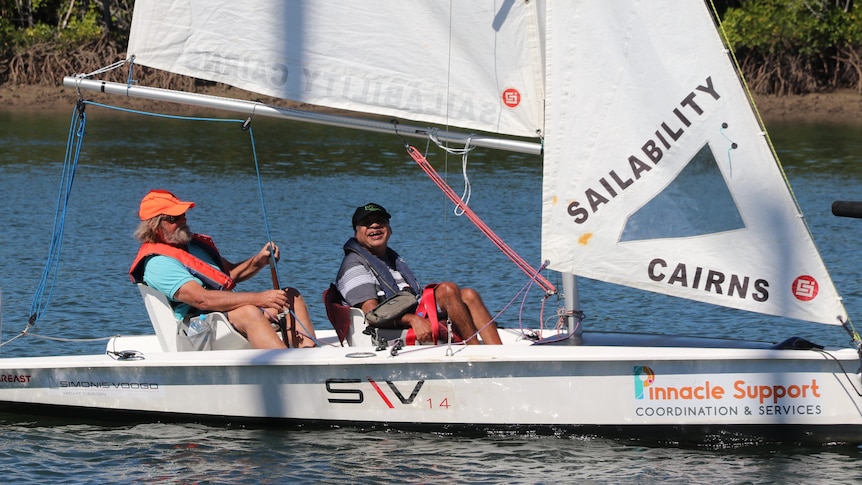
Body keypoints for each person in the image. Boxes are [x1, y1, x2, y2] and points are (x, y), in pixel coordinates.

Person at [129, 189, 315, 349]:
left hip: (221, 316)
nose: (183, 220)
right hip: (196, 328)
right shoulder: (158, 264)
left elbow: (228, 275)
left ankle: (307, 354)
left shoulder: (193, 246)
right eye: (174, 218)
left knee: (290, 296)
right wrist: (260, 298)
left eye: (183, 214)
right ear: (155, 225)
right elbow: (202, 300)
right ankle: (285, 368)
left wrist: (258, 261)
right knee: (249, 311)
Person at [336, 202, 502, 345]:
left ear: (389, 229)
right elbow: (372, 314)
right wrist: (414, 320)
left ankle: (498, 353)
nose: (375, 226)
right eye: (367, 223)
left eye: (381, 221)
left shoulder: (390, 260)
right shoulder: (354, 265)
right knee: (447, 290)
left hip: (408, 313)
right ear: (356, 232)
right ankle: (476, 353)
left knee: (468, 295)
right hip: (385, 329)